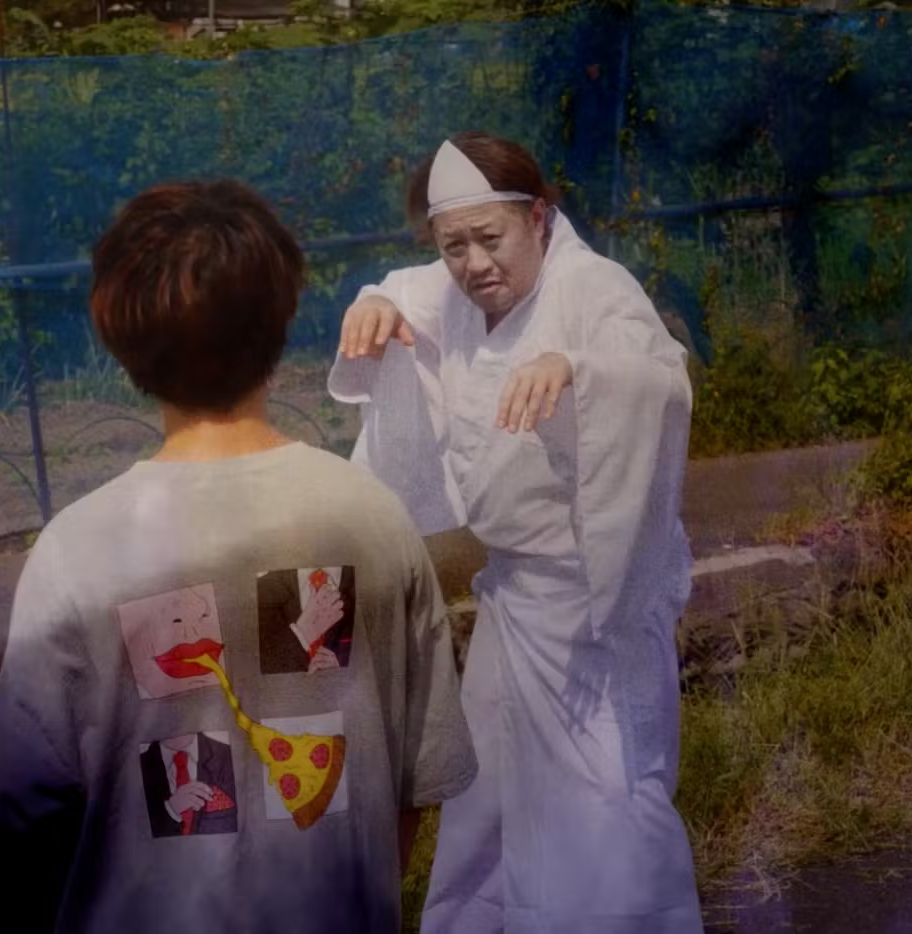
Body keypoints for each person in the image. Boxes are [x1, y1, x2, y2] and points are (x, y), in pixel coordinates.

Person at [0, 179, 478, 934]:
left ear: (117, 332)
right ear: (282, 317)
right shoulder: (373, 515)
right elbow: (417, 779)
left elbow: (14, 811)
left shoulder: (77, 547)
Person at [328, 131, 704, 933]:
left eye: (490, 239)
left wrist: (578, 371)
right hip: (513, 599)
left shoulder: (592, 287)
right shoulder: (456, 289)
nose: (473, 264)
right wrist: (374, 302)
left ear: (538, 217)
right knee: (492, 797)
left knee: (607, 797)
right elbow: (402, 290)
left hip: (593, 604)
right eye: (452, 246)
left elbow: (661, 378)